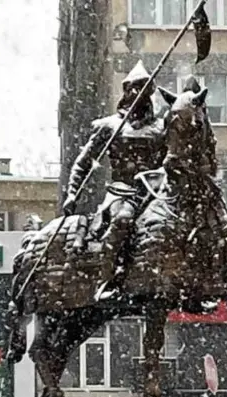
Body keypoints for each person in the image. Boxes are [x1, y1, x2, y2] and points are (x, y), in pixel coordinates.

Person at [62, 60, 167, 291]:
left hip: (155, 193)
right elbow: (83, 162)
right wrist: (72, 194)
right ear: (126, 92)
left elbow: (171, 162)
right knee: (123, 221)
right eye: (131, 88)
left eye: (141, 87)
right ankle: (109, 278)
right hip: (122, 192)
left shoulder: (161, 128)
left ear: (149, 92)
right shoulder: (111, 127)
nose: (135, 92)